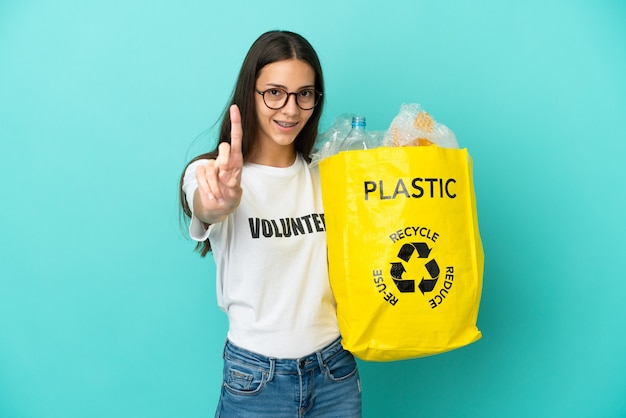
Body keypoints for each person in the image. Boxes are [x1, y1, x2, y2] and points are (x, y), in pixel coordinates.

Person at [179, 30, 362, 417]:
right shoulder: (212, 173)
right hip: (256, 380)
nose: (291, 110)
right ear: (251, 92)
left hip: (335, 373)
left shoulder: (328, 174)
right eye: (275, 93)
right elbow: (205, 203)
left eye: (305, 94)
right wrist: (217, 202)